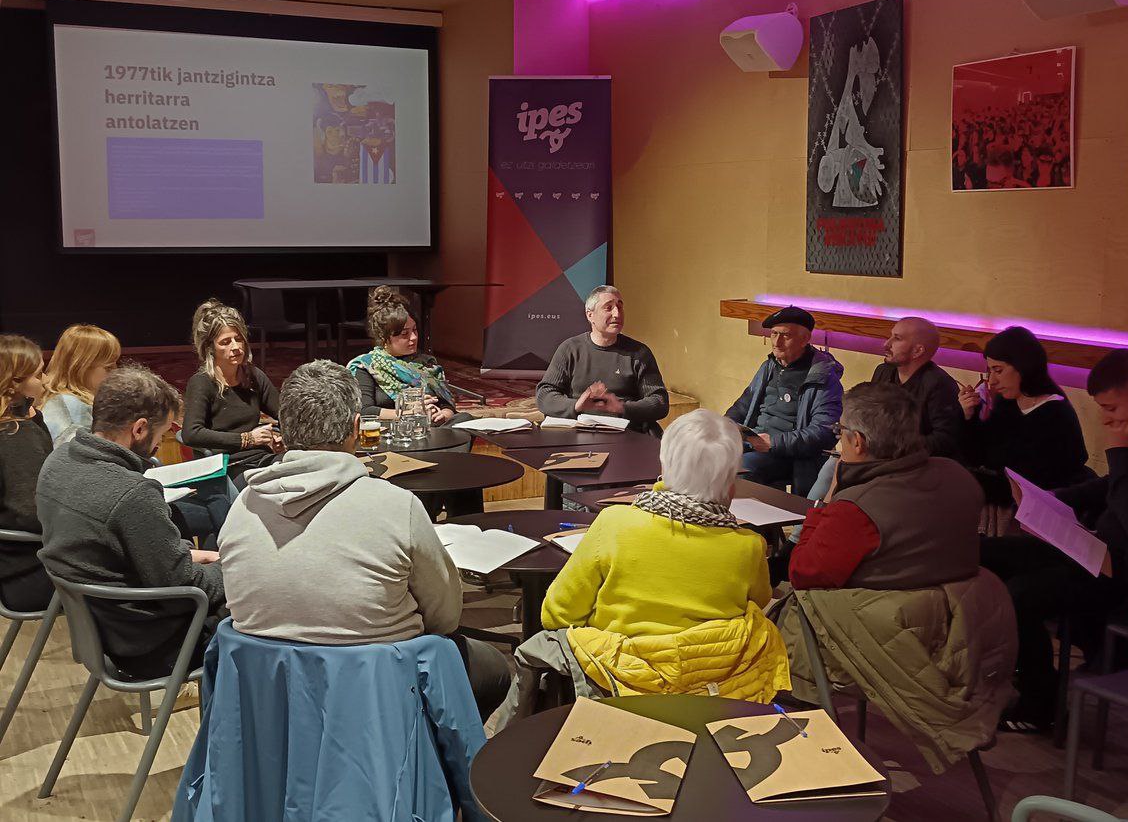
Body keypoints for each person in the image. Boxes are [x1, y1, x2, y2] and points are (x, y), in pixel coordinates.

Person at [217, 360, 510, 722]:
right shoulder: (397, 506)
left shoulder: (241, 507)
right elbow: (445, 618)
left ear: (284, 430)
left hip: (269, 702)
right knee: (492, 669)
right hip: (379, 696)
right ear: (356, 428)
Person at [775, 382, 1017, 773]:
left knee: (778, 616)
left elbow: (803, 573)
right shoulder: (957, 476)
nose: (837, 440)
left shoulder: (857, 507)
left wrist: (829, 497)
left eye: (839, 431)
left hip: (883, 640)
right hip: (955, 631)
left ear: (857, 442)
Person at [494, 410, 790, 727]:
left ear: (663, 468)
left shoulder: (615, 523)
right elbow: (758, 599)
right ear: (731, 484)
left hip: (619, 684)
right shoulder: (749, 546)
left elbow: (557, 613)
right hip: (713, 693)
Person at [981, 349, 1128, 732]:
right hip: (1096, 550)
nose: (1105, 420)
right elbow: (1109, 487)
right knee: (985, 553)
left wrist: (1118, 453)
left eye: (1111, 409)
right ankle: (1012, 661)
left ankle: (1040, 706)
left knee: (1024, 593)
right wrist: (1050, 501)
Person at [36, 364, 225, 679]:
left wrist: (189, 557)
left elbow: (110, 553)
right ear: (139, 429)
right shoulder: (133, 493)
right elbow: (182, 586)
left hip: (102, 634)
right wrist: (232, 570)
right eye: (161, 435)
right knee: (262, 604)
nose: (157, 446)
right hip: (152, 646)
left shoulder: (57, 462)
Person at [806, 316, 962, 501]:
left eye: (897, 338)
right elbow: (867, 415)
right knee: (831, 468)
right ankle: (811, 517)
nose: (886, 344)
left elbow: (945, 440)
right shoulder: (884, 371)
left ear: (918, 350)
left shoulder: (939, 384)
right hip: (872, 455)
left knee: (839, 474)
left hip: (906, 465)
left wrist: (891, 447)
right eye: (890, 336)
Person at [959, 326, 1091, 536]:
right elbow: (981, 454)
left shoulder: (1054, 413)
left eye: (998, 370)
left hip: (1039, 514)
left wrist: (963, 480)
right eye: (990, 371)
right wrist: (969, 416)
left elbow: (1026, 484)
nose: (991, 381)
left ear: (1024, 366)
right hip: (1004, 498)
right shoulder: (1008, 402)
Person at [726, 306, 843, 495]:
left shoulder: (822, 376)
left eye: (785, 335)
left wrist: (774, 442)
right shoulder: (769, 366)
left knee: (741, 469)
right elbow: (743, 405)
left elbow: (825, 432)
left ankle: (754, 515)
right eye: (774, 334)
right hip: (753, 443)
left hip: (790, 454)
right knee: (704, 454)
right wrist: (724, 426)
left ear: (805, 339)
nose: (777, 342)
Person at [536, 285, 669, 435]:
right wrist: (576, 405)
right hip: (578, 434)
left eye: (620, 307)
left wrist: (622, 408)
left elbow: (659, 401)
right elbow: (544, 395)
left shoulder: (639, 353)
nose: (617, 314)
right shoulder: (570, 349)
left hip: (627, 434)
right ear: (590, 315)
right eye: (608, 308)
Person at [181, 298, 282, 485]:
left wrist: (280, 435)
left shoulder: (253, 375)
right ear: (210, 348)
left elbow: (284, 413)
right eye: (225, 342)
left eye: (239, 339)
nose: (235, 347)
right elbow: (191, 434)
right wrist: (246, 439)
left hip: (260, 458)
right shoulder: (202, 382)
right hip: (227, 465)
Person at [346, 286, 469, 426]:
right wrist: (409, 412)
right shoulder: (367, 366)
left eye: (414, 330)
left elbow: (445, 403)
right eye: (405, 334)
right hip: (394, 427)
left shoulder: (426, 363)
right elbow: (364, 411)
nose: (414, 337)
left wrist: (444, 415)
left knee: (465, 419)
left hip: (431, 425)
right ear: (384, 337)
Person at [0, 335, 54, 613]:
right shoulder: (15, 435)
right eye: (38, 374)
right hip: (31, 572)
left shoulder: (16, 426)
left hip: (15, 567)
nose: (46, 381)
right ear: (13, 385)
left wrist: (31, 414)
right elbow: (32, 514)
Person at [40, 324, 121, 449]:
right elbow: (81, 456)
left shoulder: (63, 400)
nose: (116, 372)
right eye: (109, 367)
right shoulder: (72, 406)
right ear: (81, 367)